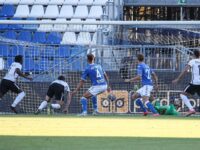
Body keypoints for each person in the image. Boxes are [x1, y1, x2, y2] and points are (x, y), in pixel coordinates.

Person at [172, 50, 200, 116]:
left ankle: (191, 109)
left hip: (194, 83)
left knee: (182, 95)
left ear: (193, 55)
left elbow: (185, 70)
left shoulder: (192, 61)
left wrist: (178, 79)